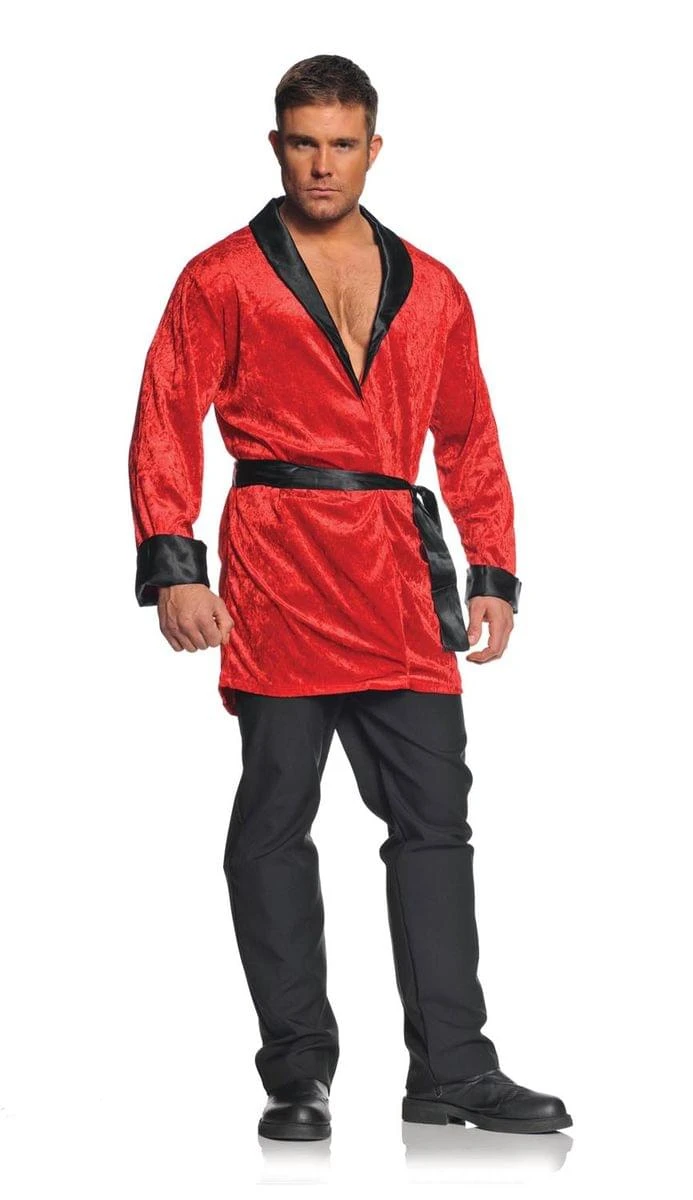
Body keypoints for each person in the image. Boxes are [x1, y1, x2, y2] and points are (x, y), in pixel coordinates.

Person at [128, 54, 572, 1140]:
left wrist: (492, 568)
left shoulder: (435, 287)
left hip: (395, 577)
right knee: (274, 821)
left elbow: (468, 433)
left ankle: (452, 1069)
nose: (320, 165)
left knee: (436, 823)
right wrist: (176, 565)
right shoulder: (221, 277)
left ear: (374, 149)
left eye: (340, 144)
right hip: (277, 572)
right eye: (302, 142)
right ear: (275, 145)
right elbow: (166, 411)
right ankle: (298, 1072)